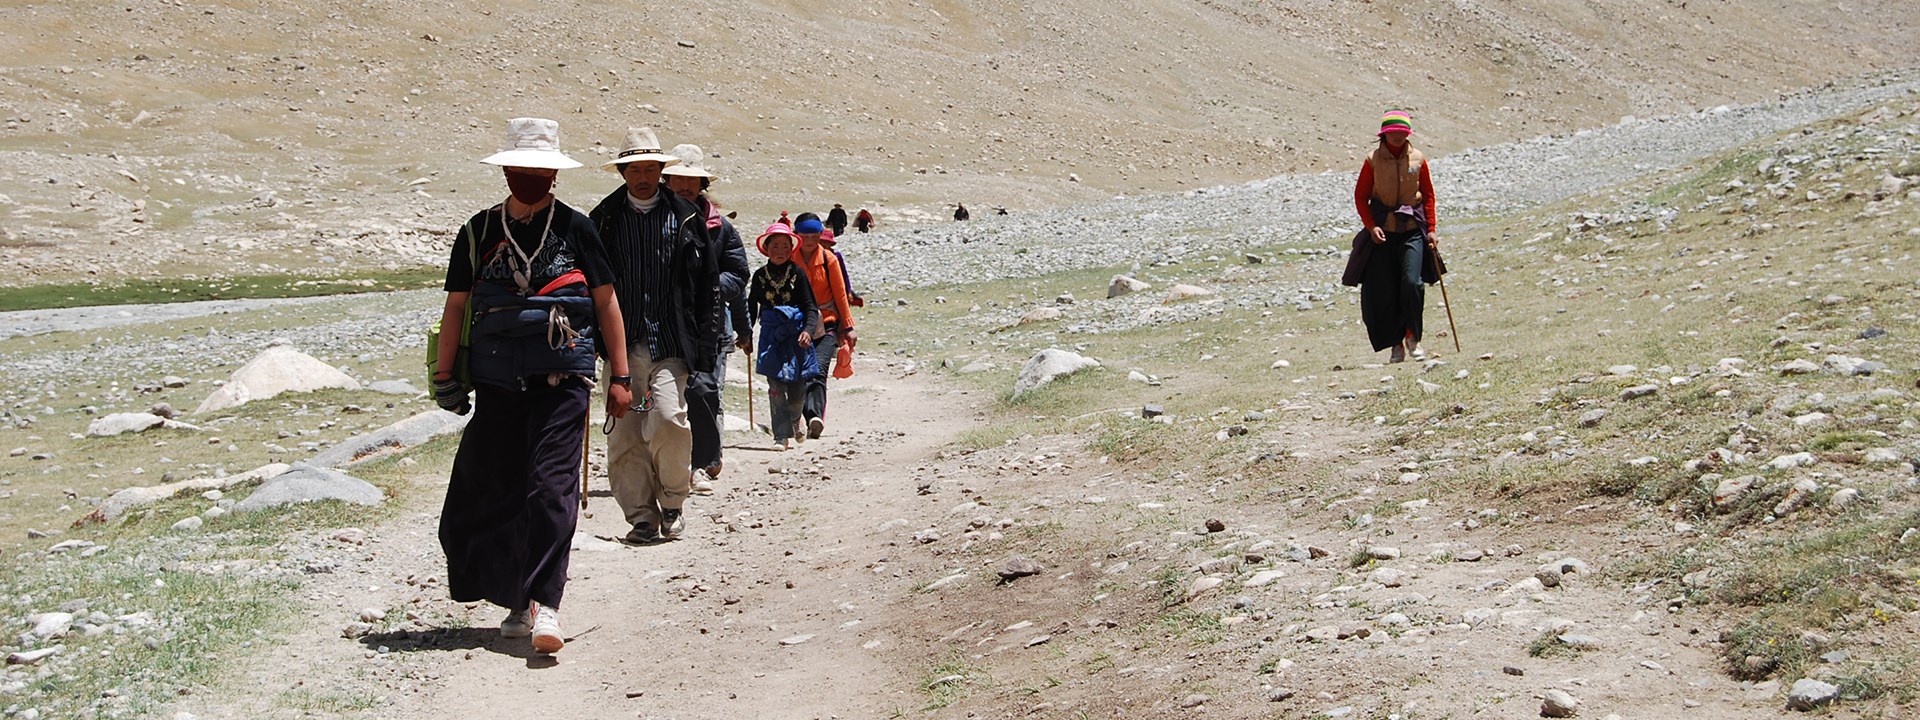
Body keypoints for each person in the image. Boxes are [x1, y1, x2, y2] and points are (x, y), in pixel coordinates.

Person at [433, 117, 631, 655]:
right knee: (485, 492)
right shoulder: (477, 231)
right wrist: (444, 375)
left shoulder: (576, 228)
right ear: (506, 170)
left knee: (549, 489)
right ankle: (516, 599)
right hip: (497, 387)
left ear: (554, 174)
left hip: (562, 382)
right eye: (521, 168)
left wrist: (621, 374)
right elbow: (456, 307)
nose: (530, 176)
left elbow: (606, 301)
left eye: (540, 169)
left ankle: (548, 604)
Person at [589, 127, 720, 545]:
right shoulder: (602, 220)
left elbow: (707, 288)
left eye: (651, 168)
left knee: (667, 420)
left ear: (661, 171)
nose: (643, 176)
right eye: (635, 169)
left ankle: (673, 501)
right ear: (623, 172)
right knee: (625, 434)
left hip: (671, 342)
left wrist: (705, 348)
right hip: (621, 346)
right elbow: (590, 287)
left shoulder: (685, 217)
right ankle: (640, 517)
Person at [661, 143, 749, 494]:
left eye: (691, 180)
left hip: (708, 325)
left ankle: (702, 462)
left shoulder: (721, 229)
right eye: (678, 179)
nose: (684, 186)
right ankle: (667, 463)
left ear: (701, 184)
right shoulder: (653, 220)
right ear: (667, 180)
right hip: (662, 323)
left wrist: (707, 287)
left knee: (704, 390)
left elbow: (738, 274)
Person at [1352, 109, 1439, 363]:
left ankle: (1413, 337)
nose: (1398, 137)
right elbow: (1361, 197)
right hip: (1383, 233)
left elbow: (1429, 195)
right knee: (1385, 290)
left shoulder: (1419, 159)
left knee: (1413, 283)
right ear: (1384, 135)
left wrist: (1431, 228)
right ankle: (1396, 345)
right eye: (1393, 133)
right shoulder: (1372, 160)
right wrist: (1371, 227)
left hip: (1412, 229)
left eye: (1402, 133)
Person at [746, 222, 822, 450]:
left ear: (791, 249)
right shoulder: (760, 276)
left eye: (785, 246)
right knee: (776, 388)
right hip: (771, 338)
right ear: (766, 248)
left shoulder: (797, 274)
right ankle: (780, 436)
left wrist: (808, 331)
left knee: (798, 389)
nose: (780, 251)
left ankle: (796, 418)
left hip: (796, 337)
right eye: (775, 246)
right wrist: (746, 333)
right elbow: (752, 306)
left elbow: (810, 306)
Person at [789, 212, 855, 439]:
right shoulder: (788, 259)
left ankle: (814, 416)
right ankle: (797, 418)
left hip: (827, 322)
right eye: (805, 235)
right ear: (797, 235)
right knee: (797, 373)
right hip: (797, 325)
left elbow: (840, 294)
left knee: (818, 369)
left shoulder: (829, 259)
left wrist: (847, 326)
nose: (809, 240)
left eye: (814, 235)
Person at [818, 228, 864, 308]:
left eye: (826, 242)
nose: (824, 245)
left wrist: (848, 290)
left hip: (838, 286)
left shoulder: (836, 255)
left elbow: (844, 274)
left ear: (830, 244)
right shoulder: (816, 256)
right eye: (822, 242)